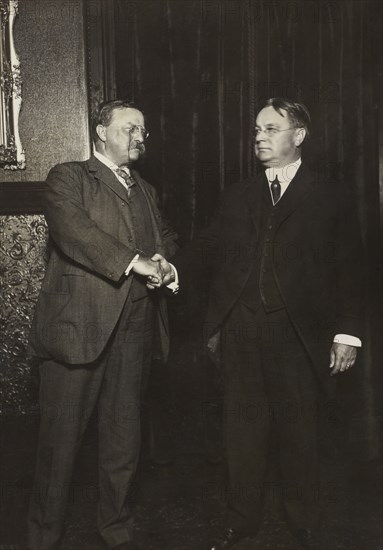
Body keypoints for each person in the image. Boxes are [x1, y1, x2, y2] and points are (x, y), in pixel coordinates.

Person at [155, 98, 364, 549]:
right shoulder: (238, 194)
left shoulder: (331, 195)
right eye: (255, 130)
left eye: (270, 129)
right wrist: (172, 269)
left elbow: (351, 269)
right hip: (242, 332)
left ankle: (304, 522)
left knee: (300, 432)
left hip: (298, 336)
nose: (259, 138)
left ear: (299, 135)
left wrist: (346, 334)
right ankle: (241, 522)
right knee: (241, 432)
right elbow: (208, 247)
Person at [27, 99, 178, 550]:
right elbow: (75, 233)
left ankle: (116, 530)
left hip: (136, 326)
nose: (140, 137)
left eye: (144, 131)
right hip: (78, 330)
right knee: (59, 446)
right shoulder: (68, 177)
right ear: (100, 132)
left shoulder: (146, 190)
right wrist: (137, 262)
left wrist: (167, 263)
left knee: (122, 438)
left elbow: (165, 236)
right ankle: (42, 538)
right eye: (130, 128)